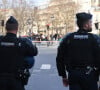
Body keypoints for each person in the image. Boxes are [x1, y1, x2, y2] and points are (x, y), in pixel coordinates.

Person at [56, 12, 100, 90]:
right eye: (90, 22)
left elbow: (59, 58)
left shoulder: (68, 38)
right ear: (86, 25)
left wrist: (63, 75)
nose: (91, 24)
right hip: (90, 75)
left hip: (73, 75)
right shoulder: (95, 39)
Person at [0, 16, 38, 90]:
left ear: (6, 28)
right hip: (16, 81)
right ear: (17, 29)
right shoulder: (22, 43)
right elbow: (34, 52)